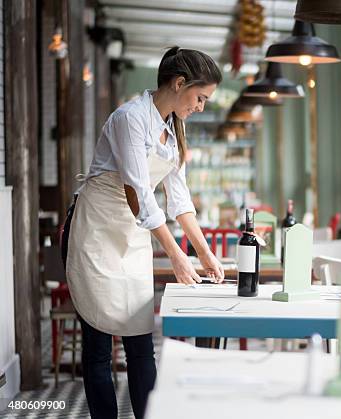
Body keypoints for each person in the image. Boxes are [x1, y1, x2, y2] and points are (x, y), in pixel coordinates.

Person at [64, 46, 224, 419]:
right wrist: (176, 255)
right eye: (200, 97)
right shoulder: (130, 118)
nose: (201, 106)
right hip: (98, 232)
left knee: (139, 343)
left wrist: (205, 254)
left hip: (135, 236)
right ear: (179, 83)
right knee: (99, 345)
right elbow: (138, 193)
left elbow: (179, 200)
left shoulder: (173, 129)